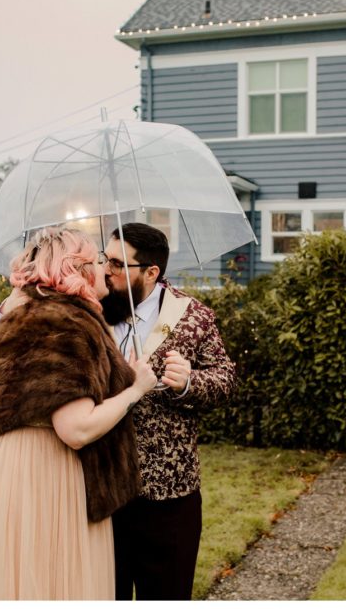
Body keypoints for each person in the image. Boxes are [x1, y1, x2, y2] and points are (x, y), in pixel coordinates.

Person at [0, 226, 157, 600]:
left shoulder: (22, 311)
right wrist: (135, 390)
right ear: (78, 269)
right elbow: (75, 428)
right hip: (34, 478)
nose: (105, 269)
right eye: (97, 260)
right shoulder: (68, 322)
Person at [101, 222, 237, 600]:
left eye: (116, 263)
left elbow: (226, 380)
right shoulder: (91, 312)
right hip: (102, 488)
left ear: (151, 272)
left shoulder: (193, 316)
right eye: (105, 259)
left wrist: (190, 382)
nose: (106, 270)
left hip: (170, 493)